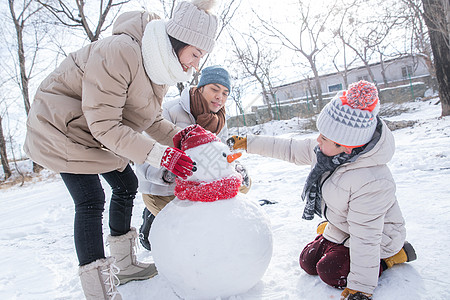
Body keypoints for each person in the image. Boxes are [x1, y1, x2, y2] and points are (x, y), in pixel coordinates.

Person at [23, 1, 219, 299]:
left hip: (92, 129)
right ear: (179, 40)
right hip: (58, 127)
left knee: (126, 183)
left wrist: (184, 137)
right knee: (90, 199)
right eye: (195, 54)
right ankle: (99, 292)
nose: (195, 64)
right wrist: (162, 155)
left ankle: (125, 266)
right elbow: (106, 126)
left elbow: (150, 120)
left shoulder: (157, 65)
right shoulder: (120, 52)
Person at [227, 81, 416, 300]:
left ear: (347, 147)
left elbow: (366, 237)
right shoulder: (329, 152)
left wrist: (361, 287)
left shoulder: (371, 181)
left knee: (331, 271)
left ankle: (395, 256)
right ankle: (333, 236)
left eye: (324, 138)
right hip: (345, 225)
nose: (318, 140)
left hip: (379, 236)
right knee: (308, 261)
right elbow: (289, 148)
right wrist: (248, 143)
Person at [136, 65, 251, 250]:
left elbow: (223, 155)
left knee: (242, 185)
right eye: (214, 89)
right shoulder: (168, 112)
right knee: (183, 233)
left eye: (225, 93)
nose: (220, 97)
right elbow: (142, 155)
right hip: (163, 188)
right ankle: (151, 216)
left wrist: (234, 168)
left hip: (199, 186)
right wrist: (167, 174)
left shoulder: (219, 120)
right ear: (200, 88)